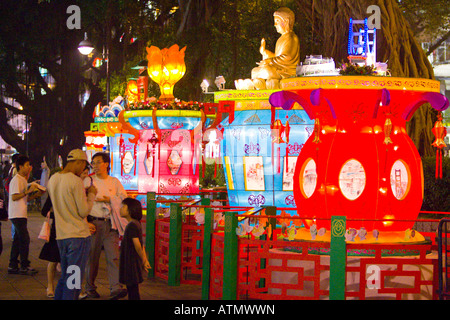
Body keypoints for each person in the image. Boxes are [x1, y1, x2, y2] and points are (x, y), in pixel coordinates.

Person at [47, 149, 97, 300]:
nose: (83, 169)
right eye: (83, 165)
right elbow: (83, 211)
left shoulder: (53, 179)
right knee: (74, 280)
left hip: (61, 236)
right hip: (78, 236)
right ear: (79, 162)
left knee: (65, 277)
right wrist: (91, 194)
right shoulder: (75, 181)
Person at [84, 152, 128, 300]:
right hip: (94, 222)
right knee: (92, 257)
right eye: (93, 163)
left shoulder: (114, 182)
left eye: (98, 162)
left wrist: (109, 199)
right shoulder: (88, 181)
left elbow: (124, 198)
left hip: (111, 223)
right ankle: (89, 288)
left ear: (106, 164)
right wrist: (86, 222)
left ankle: (115, 288)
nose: (95, 166)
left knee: (113, 256)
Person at [7, 155, 44, 275]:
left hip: (21, 213)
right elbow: (14, 196)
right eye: (27, 165)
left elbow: (24, 198)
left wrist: (34, 195)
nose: (29, 167)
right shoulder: (17, 179)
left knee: (18, 240)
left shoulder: (22, 180)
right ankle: (24, 265)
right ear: (21, 166)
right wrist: (28, 191)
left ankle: (13, 265)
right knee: (24, 239)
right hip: (16, 214)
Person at [251, 7, 300, 83]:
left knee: (267, 71)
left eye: (277, 21)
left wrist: (269, 61)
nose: (275, 24)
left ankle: (263, 83)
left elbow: (287, 57)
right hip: (278, 69)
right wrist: (265, 52)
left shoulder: (291, 37)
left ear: (286, 21)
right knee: (254, 71)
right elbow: (277, 57)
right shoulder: (281, 38)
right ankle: (262, 83)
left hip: (286, 72)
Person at [119, 197, 150, 300]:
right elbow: (141, 245)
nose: (120, 208)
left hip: (130, 262)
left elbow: (137, 245)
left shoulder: (131, 225)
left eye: (123, 206)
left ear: (130, 210)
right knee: (133, 289)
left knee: (132, 290)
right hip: (133, 262)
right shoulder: (136, 223)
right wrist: (144, 259)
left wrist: (144, 260)